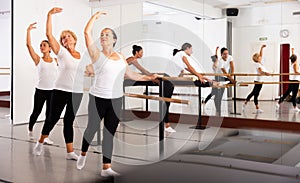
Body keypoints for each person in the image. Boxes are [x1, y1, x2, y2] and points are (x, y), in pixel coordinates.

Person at [76, 12, 158, 177]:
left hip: (115, 99)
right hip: (97, 98)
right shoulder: (96, 55)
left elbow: (131, 75)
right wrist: (94, 17)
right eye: (101, 35)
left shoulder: (121, 57)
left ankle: (106, 168)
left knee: (109, 133)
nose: (103, 36)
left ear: (114, 39)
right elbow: (86, 33)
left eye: (107, 34)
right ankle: (83, 154)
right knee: (92, 129)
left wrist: (149, 77)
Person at [33, 7, 84, 161]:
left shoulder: (81, 55)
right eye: (63, 37)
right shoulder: (61, 53)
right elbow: (48, 34)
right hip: (60, 90)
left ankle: (70, 152)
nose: (66, 38)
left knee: (69, 121)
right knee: (52, 119)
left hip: (76, 92)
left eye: (68, 36)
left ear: (74, 39)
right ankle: (40, 142)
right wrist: (49, 15)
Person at [164, 43, 213, 132]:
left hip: (170, 80)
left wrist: (201, 76)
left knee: (167, 102)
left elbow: (190, 69)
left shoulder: (180, 56)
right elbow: (190, 67)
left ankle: (166, 125)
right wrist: (199, 76)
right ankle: (166, 126)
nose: (192, 51)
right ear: (187, 48)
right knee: (166, 102)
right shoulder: (182, 54)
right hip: (167, 79)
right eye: (191, 49)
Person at [26, 22, 58, 144]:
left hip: (52, 91)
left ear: (50, 48)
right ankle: (30, 129)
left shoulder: (56, 60)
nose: (42, 47)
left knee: (49, 115)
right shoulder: (38, 60)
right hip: (40, 91)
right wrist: (28, 31)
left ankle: (45, 136)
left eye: (44, 45)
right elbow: (28, 45)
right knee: (36, 112)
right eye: (40, 45)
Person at [203, 47, 235, 116]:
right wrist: (231, 79)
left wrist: (231, 75)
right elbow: (218, 62)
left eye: (227, 53)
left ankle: (215, 108)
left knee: (214, 94)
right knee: (214, 94)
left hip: (224, 78)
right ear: (221, 55)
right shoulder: (217, 63)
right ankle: (217, 110)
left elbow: (232, 66)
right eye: (224, 54)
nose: (226, 55)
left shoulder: (229, 57)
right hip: (218, 78)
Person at [243, 45, 270, 113]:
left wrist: (261, 48)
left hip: (260, 81)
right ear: (257, 58)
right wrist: (266, 73)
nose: (261, 57)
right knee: (256, 94)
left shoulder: (260, 63)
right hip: (258, 81)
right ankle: (257, 108)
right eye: (259, 57)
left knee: (253, 93)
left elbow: (261, 54)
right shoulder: (257, 64)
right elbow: (260, 71)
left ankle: (245, 103)